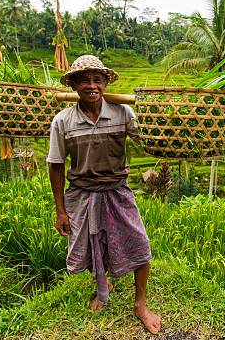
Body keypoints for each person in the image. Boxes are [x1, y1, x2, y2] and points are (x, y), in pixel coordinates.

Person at [46, 55, 161, 335]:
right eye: (84, 79)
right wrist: (61, 210)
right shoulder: (63, 121)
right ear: (73, 84)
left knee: (140, 246)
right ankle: (102, 286)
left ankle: (140, 305)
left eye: (98, 79)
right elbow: (56, 165)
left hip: (117, 191)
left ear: (106, 82)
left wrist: (165, 114)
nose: (92, 85)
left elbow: (153, 138)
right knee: (93, 246)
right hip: (82, 194)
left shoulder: (123, 113)